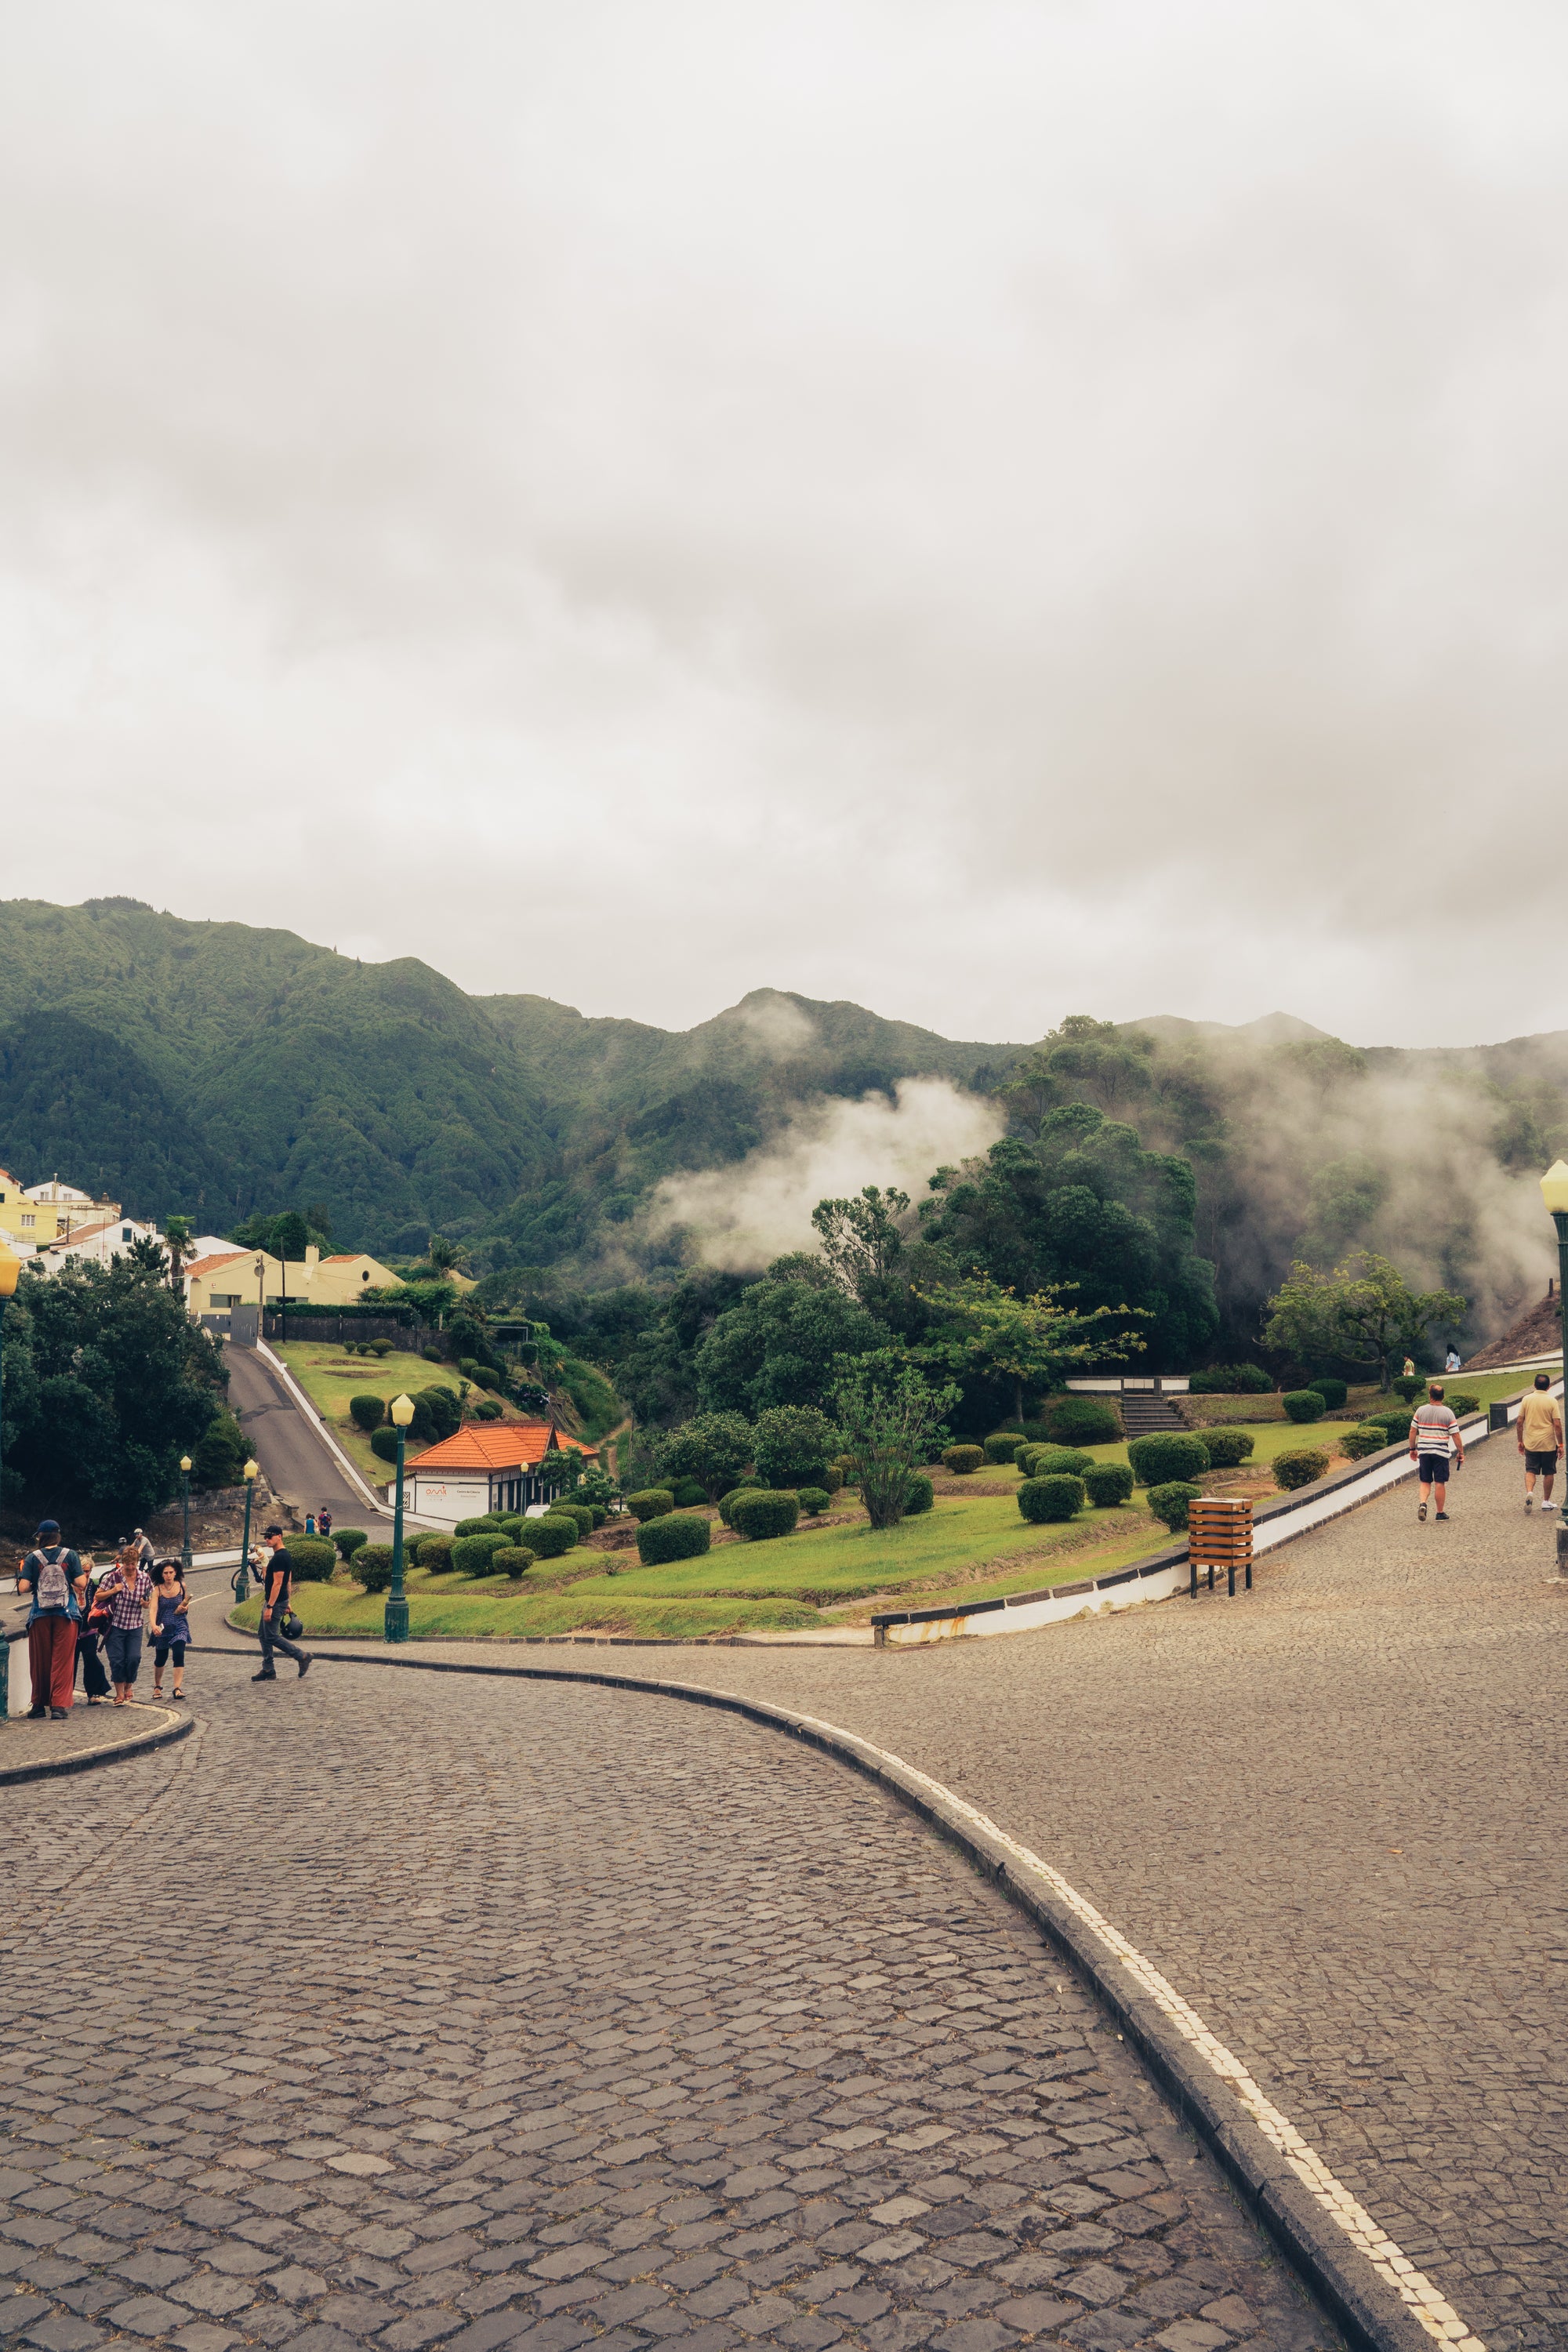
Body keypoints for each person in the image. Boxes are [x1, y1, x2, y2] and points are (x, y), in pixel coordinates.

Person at [18, 1520, 88, 1719]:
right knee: (63, 1661)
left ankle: (38, 1704)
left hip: (40, 1614)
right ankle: (58, 1706)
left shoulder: (32, 1558)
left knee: (40, 1661)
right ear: (58, 1536)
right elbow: (81, 1583)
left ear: (40, 1536)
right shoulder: (70, 1555)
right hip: (66, 1614)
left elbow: (23, 1588)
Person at [96, 1541, 153, 1704]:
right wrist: (113, 1590)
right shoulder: (112, 1577)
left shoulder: (144, 1578)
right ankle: (119, 1694)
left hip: (135, 1625)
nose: (130, 1568)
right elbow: (98, 1596)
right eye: (127, 1564)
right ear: (122, 1563)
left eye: (133, 1564)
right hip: (115, 1625)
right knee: (117, 1659)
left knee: (134, 1657)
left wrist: (146, 1604)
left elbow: (151, 1598)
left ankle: (129, 1685)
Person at [254, 1527, 310, 1683]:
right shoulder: (282, 1555)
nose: (267, 1539)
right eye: (265, 1537)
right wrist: (288, 1601)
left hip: (275, 1602)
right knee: (262, 1634)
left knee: (271, 1636)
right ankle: (268, 1669)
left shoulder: (280, 1557)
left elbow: (278, 1584)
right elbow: (289, 1581)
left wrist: (270, 1607)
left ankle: (302, 1656)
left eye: (270, 1536)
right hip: (279, 1601)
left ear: (279, 1536)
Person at [1409, 1381, 1464, 1523]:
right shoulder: (1448, 1412)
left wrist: (1412, 1449)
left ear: (1430, 1396)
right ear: (1443, 1397)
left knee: (1425, 1481)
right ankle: (1440, 1513)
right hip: (1440, 1452)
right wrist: (1461, 1452)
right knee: (1440, 1482)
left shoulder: (1421, 1410)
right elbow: (1455, 1435)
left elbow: (1413, 1430)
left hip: (1424, 1451)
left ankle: (1423, 1503)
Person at [1518, 1373, 1564, 1512]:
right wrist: (1561, 1445)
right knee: (1549, 1471)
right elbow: (1557, 1425)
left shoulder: (1526, 1399)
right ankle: (1546, 1501)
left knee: (1530, 1470)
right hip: (1548, 1443)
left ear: (1534, 1385)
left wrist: (1520, 1441)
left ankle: (1530, 1492)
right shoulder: (1552, 1401)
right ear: (1549, 1387)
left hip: (1531, 1442)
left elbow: (1520, 1422)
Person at [150, 1559, 192, 1701]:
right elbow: (153, 1608)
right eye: (166, 1573)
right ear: (162, 1575)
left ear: (176, 1573)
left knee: (179, 1654)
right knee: (161, 1658)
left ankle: (177, 1688)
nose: (168, 1575)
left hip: (179, 1625)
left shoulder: (181, 1586)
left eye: (171, 1572)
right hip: (163, 1628)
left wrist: (184, 1608)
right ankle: (157, 1686)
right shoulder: (157, 1590)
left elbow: (186, 1605)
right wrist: (153, 1625)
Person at [76, 1557, 113, 1704]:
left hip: (90, 1629)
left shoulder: (93, 1586)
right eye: (83, 1571)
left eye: (88, 1571)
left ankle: (93, 1693)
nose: (86, 1574)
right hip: (71, 1631)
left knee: (91, 1658)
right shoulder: (69, 1586)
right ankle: (63, 1695)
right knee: (70, 1662)